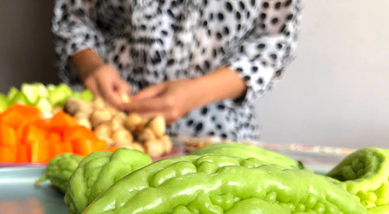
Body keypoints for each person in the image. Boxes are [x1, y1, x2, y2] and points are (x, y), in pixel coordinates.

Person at [51, 0, 302, 141]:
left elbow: (275, 43)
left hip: (217, 135)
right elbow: (73, 16)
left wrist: (196, 93)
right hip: (108, 126)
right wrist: (91, 67)